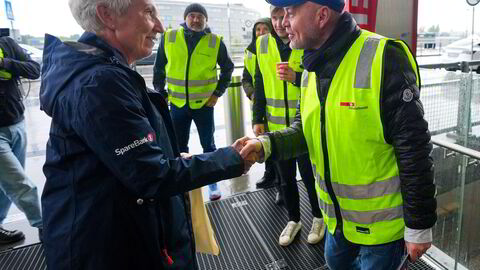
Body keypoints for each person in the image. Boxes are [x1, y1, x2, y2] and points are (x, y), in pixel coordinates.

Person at [40, 0, 251, 269]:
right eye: (149, 13)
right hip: (108, 251)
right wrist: (232, 158)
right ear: (107, 15)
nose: (160, 26)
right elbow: (152, 176)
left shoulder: (104, 73)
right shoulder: (100, 83)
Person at [239, 0, 437, 269]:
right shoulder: (310, 65)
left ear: (321, 15)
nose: (283, 23)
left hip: (381, 231)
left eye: (291, 13)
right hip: (336, 222)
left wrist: (419, 226)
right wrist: (266, 145)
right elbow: (305, 128)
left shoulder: (384, 56)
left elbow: (414, 148)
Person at [252, 5, 324, 247]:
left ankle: (318, 217)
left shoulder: (305, 39)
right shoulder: (262, 45)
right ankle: (294, 219)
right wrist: (257, 118)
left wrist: (296, 79)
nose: (280, 22)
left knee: (308, 175)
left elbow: (319, 81)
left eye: (284, 17)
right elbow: (259, 83)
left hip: (302, 127)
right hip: (274, 127)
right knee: (285, 179)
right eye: (275, 17)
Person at [153, 3, 234, 201]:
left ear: (206, 20)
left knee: (209, 144)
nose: (196, 19)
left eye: (200, 16)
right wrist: (161, 94)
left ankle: (212, 183)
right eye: (192, 16)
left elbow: (228, 68)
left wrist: (217, 94)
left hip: (204, 105)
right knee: (179, 146)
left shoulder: (215, 42)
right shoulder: (170, 37)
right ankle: (185, 186)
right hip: (177, 105)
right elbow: (159, 68)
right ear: (185, 18)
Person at [0, 33, 42, 245]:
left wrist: (5, 63)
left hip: (16, 123)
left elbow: (34, 69)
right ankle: (47, 227)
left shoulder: (6, 43)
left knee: (5, 186)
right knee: (20, 184)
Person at [242, 18, 278, 191]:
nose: (261, 32)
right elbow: (246, 79)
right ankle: (269, 174)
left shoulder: (276, 49)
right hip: (258, 107)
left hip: (275, 108)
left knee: (277, 145)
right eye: (258, 29)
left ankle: (280, 183)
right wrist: (253, 93)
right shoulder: (250, 51)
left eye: (265, 29)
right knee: (263, 143)